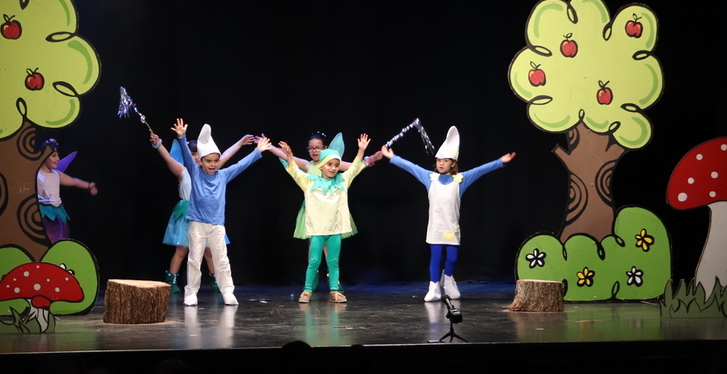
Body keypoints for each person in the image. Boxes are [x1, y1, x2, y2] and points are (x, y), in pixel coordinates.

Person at [381, 126, 515, 301]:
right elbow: (411, 167)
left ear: (453, 163)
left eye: (445, 160)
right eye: (438, 160)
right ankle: (434, 287)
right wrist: (392, 157)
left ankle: (448, 280)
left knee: (452, 258)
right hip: (436, 227)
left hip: (451, 227)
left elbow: (480, 170)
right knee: (436, 258)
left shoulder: (461, 180)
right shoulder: (430, 178)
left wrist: (500, 162)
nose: (441, 163)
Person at [173, 119, 271, 306]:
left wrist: (258, 151)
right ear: (200, 161)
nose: (212, 164)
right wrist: (182, 137)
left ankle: (227, 291)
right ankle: (191, 292)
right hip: (197, 223)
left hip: (217, 224)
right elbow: (186, 156)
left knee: (221, 259)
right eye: (208, 161)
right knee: (194, 258)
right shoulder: (195, 172)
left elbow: (242, 164)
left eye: (216, 161)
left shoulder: (223, 175)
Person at [149, 132, 255, 295]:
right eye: (192, 154)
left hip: (207, 216)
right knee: (182, 249)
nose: (196, 157)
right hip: (188, 214)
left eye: (198, 153)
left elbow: (224, 155)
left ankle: (215, 279)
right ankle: (172, 280)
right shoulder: (184, 170)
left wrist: (240, 143)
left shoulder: (211, 171)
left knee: (209, 251)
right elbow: (168, 159)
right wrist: (158, 144)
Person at [279, 133, 371, 303]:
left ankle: (335, 291)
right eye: (330, 164)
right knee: (313, 261)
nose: (333, 168)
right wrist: (289, 155)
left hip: (335, 229)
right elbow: (293, 171)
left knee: (333, 261)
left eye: (336, 165)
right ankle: (307, 291)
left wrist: (361, 151)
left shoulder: (342, 181)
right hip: (318, 230)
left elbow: (355, 168)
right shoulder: (310, 182)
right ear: (321, 166)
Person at [36, 139, 98, 243]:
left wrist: (89, 185)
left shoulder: (56, 174)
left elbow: (73, 181)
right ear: (43, 156)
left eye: (57, 155)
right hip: (42, 213)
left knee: (57, 240)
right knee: (43, 240)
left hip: (57, 213)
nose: (58, 159)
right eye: (54, 156)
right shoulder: (36, 174)